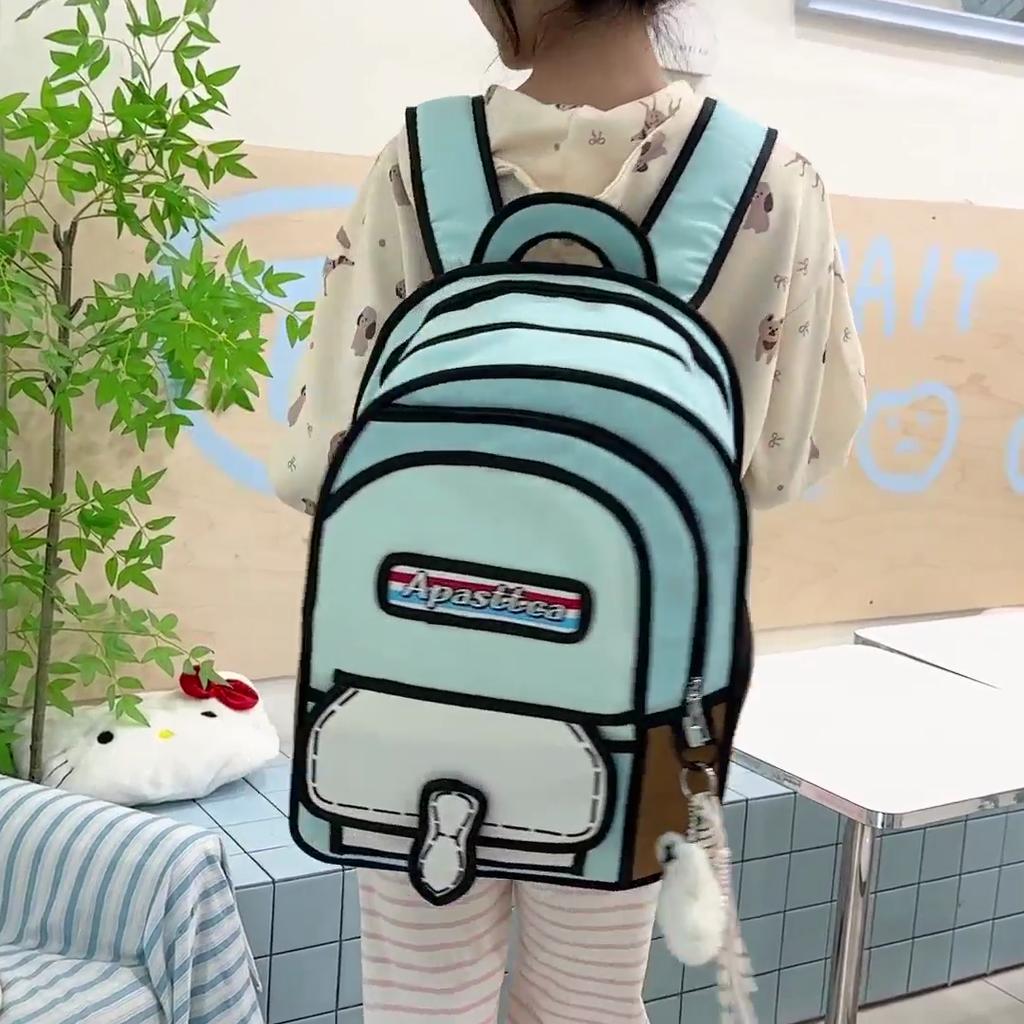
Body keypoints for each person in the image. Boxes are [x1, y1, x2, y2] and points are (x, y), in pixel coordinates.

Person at [272, 2, 867, 1021]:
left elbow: (321, 461)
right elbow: (787, 459)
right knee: (589, 1000)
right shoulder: (771, 178)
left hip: (405, 675)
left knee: (422, 1001)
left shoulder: (418, 165)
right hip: (641, 688)